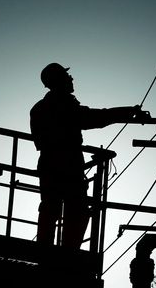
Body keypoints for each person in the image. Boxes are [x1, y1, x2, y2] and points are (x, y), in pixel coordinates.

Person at [30, 62, 148, 248]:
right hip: (68, 165)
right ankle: (68, 253)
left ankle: (46, 251)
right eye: (67, 76)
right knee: (76, 211)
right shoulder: (62, 106)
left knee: (50, 209)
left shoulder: (38, 109)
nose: (71, 78)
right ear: (59, 80)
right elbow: (95, 118)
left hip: (49, 165)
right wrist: (128, 112)